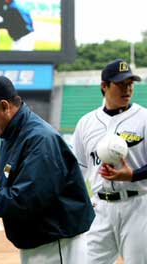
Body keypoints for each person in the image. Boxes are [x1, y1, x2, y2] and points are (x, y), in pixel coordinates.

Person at [0, 74, 95, 263]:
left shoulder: (40, 139)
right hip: (40, 242)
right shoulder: (12, 136)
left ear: (5, 106)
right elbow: (13, 188)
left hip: (57, 244)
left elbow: (25, 201)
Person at [72, 59, 147, 263]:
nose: (128, 88)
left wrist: (133, 175)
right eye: (121, 84)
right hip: (100, 209)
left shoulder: (144, 118)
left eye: (130, 83)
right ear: (104, 86)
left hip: (138, 206)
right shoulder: (86, 123)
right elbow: (78, 170)